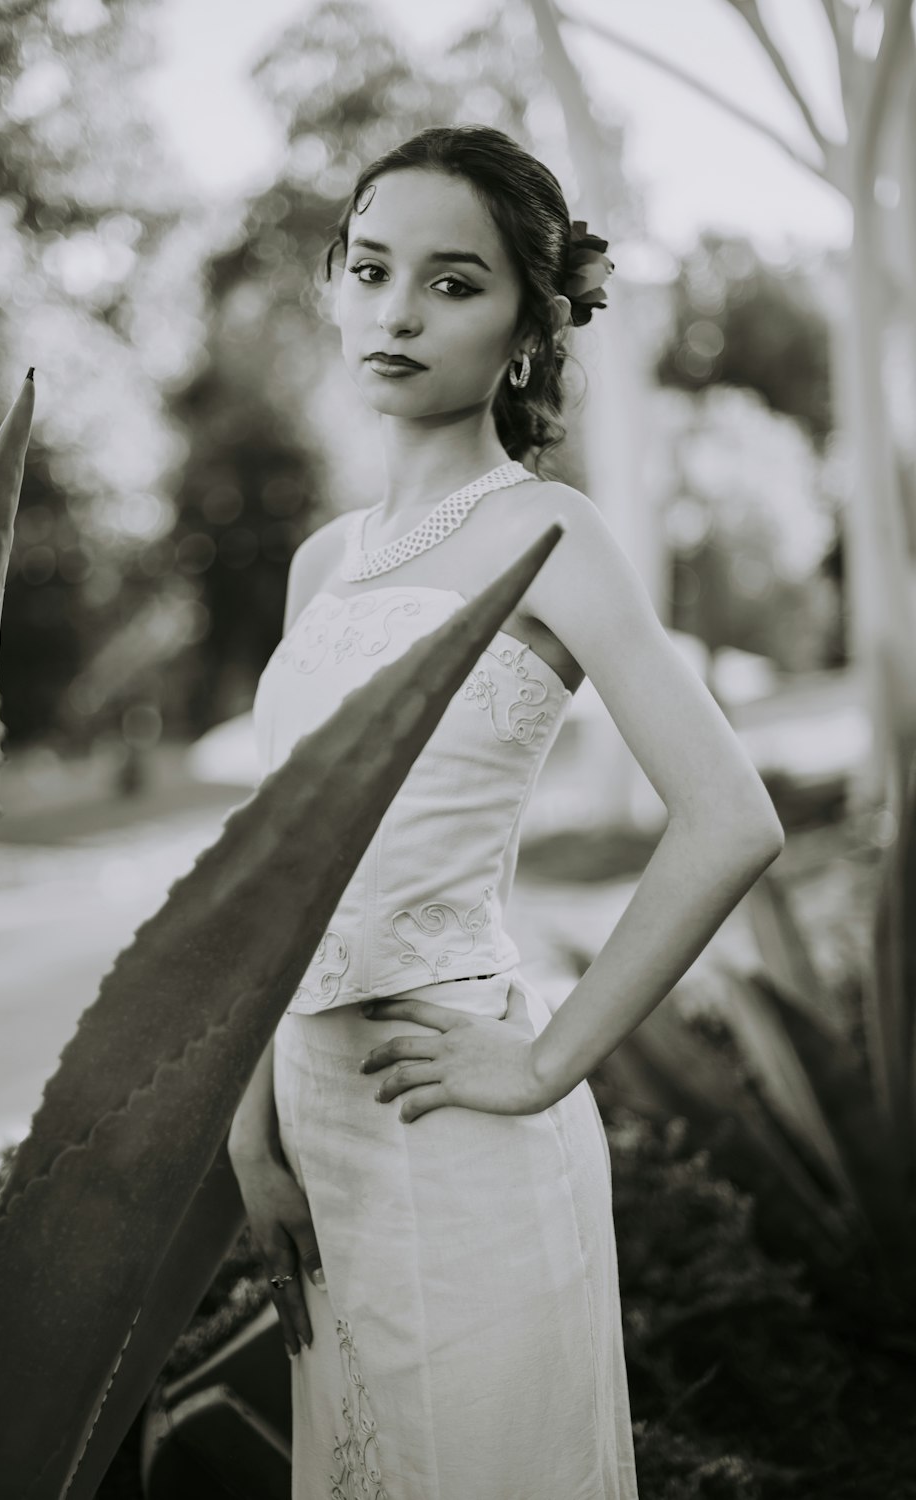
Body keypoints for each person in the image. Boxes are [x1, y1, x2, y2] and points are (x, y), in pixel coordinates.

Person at [226, 124, 784, 1499]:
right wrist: (250, 1124)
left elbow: (731, 817)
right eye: (370, 269)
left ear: (530, 332)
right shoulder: (320, 567)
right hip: (314, 1133)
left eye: (454, 282)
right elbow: (259, 877)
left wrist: (543, 1069)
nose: (399, 310)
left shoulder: (552, 531)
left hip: (460, 1126)